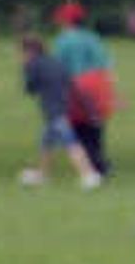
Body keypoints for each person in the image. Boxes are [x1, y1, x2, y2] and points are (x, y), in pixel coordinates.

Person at [15, 31, 92, 188]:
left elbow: (30, 89)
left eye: (21, 52)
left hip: (53, 110)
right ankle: (42, 175)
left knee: (71, 142)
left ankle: (88, 175)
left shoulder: (32, 64)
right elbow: (72, 85)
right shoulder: (56, 62)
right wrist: (88, 107)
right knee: (46, 144)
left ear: (28, 51)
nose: (20, 55)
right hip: (62, 106)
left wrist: (25, 69)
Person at [51, 1, 118, 183]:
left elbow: (58, 67)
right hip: (97, 85)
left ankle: (92, 166)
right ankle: (100, 162)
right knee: (95, 126)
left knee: (78, 128)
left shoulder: (63, 40)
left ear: (66, 21)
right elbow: (106, 64)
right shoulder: (92, 38)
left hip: (75, 87)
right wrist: (110, 90)